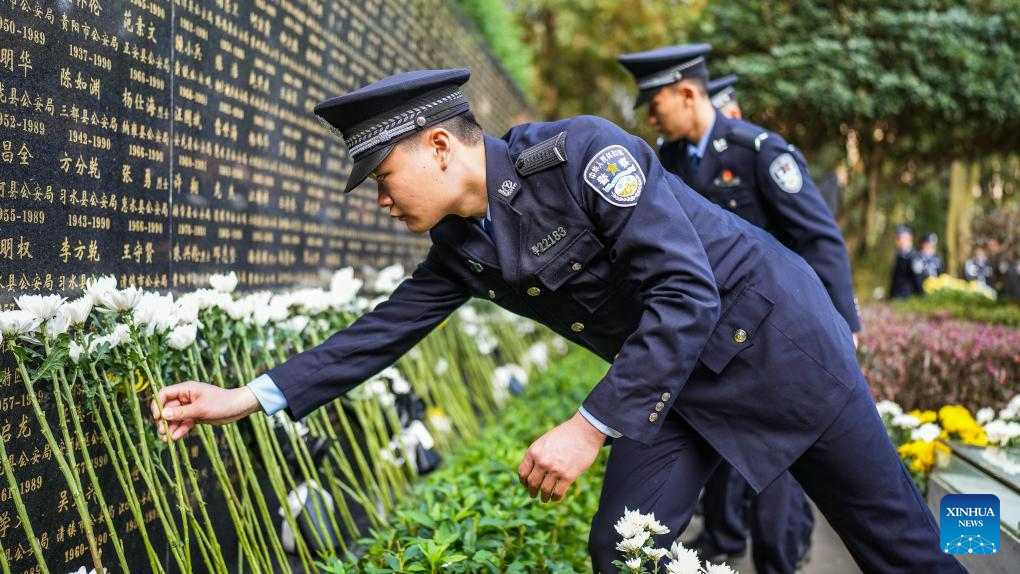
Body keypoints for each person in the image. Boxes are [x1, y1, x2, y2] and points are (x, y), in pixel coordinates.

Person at [151, 69, 963, 574]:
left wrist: (586, 426)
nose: (381, 197)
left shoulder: (583, 156)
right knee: (621, 549)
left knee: (903, 551)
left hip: (782, 351)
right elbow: (379, 332)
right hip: (676, 389)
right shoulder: (461, 244)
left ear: (440, 146)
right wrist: (244, 396)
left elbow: (687, 294)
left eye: (383, 174)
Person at [617, 44, 852, 574]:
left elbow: (820, 242)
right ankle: (725, 539)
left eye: (655, 105)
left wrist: (842, 326)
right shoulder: (665, 161)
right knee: (722, 459)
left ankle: (779, 559)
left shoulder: (758, 152)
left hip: (779, 335)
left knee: (779, 473)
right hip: (710, 341)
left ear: (687, 93)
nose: (651, 117)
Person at [890, 225, 925, 299]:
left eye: (903, 238)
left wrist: (921, 297)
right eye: (898, 238)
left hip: (908, 297)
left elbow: (918, 279)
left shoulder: (915, 257)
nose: (899, 241)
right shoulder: (900, 255)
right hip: (897, 297)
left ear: (909, 239)